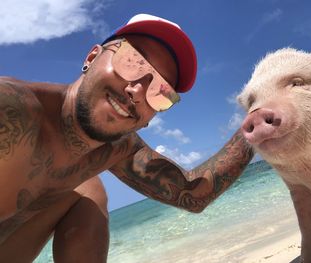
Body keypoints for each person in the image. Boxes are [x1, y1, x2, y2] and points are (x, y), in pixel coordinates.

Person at [0, 14, 254, 262]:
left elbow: (192, 193)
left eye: (161, 91)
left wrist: (261, 118)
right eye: (132, 60)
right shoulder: (12, 112)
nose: (137, 91)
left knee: (89, 190)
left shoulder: (116, 149)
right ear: (91, 57)